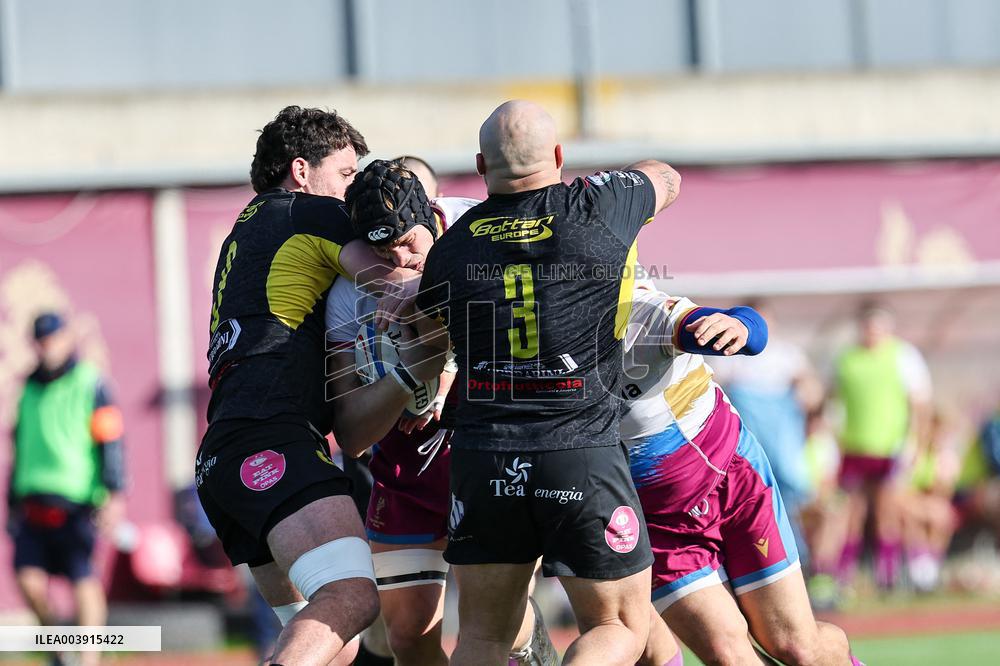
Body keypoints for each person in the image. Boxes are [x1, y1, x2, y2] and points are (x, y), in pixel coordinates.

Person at [413, 100, 681, 665]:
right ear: (559, 156)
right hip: (578, 452)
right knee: (619, 626)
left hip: (483, 460)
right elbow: (666, 176)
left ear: (481, 166)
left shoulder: (451, 248)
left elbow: (430, 332)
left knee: (483, 636)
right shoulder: (600, 205)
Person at [194, 106, 440, 666]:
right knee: (351, 597)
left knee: (338, 645)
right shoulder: (311, 213)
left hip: (225, 454)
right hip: (272, 437)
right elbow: (398, 283)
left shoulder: (248, 228)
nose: (354, 190)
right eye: (349, 173)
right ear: (301, 171)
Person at [327, 158, 555, 665]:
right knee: (405, 634)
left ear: (432, 213)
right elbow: (354, 437)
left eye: (408, 244)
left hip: (491, 447)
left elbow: (530, 324)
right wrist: (405, 379)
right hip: (406, 465)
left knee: (495, 625)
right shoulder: (348, 292)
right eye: (383, 250)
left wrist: (430, 301)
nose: (401, 260)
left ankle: (534, 646)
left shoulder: (480, 227)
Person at [619, 285, 859, 666]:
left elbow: (735, 327)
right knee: (730, 657)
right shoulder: (522, 333)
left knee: (797, 646)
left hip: (730, 482)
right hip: (661, 519)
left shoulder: (636, 307)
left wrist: (742, 327)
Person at [8, 312, 126, 666]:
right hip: (33, 503)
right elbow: (21, 446)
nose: (47, 348)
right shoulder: (28, 388)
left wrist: (114, 493)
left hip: (77, 501)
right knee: (28, 581)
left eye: (53, 339)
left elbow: (112, 440)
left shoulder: (90, 382)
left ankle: (89, 658)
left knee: (82, 579)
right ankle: (59, 651)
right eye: (41, 341)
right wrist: (11, 498)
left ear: (66, 338)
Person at [832, 301, 932, 591]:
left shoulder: (903, 356)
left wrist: (915, 445)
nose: (873, 332)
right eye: (868, 326)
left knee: (887, 512)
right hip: (854, 447)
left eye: (879, 326)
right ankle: (843, 577)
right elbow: (833, 400)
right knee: (852, 513)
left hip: (890, 448)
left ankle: (887, 576)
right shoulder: (847, 359)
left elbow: (920, 404)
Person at [713, 300, 821, 564]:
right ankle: (763, 559)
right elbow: (712, 388)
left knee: (792, 495)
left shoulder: (786, 354)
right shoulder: (728, 355)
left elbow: (811, 388)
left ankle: (804, 558)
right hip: (749, 438)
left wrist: (808, 405)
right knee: (756, 495)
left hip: (783, 440)